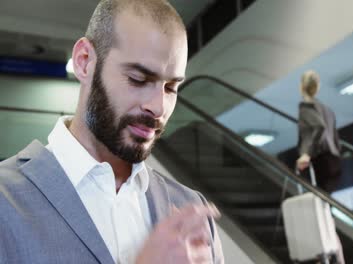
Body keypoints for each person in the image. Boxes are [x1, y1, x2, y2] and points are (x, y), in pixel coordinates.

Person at [0, 0, 224, 263]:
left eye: (171, 88)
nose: (158, 107)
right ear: (85, 62)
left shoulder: (190, 208)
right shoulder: (6, 199)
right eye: (138, 79)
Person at [296, 70, 342, 193]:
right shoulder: (328, 110)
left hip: (318, 159)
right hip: (333, 160)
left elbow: (319, 127)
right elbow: (336, 140)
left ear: (301, 86)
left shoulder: (305, 107)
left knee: (317, 199)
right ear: (317, 87)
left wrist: (307, 154)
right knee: (325, 201)